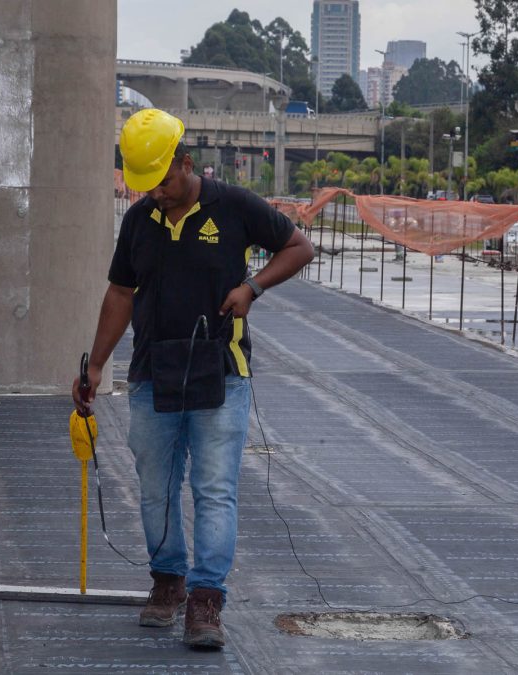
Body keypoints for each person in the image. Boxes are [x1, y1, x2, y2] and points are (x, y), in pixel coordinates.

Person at [72, 108, 313, 648]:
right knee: (155, 488)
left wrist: (253, 288)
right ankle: (168, 580)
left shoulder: (234, 207)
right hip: (152, 374)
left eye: (162, 180)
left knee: (214, 489)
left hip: (219, 374)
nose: (155, 192)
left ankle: (206, 599)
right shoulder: (139, 222)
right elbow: (119, 294)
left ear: (185, 163)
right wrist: (94, 364)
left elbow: (299, 246)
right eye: (147, 184)